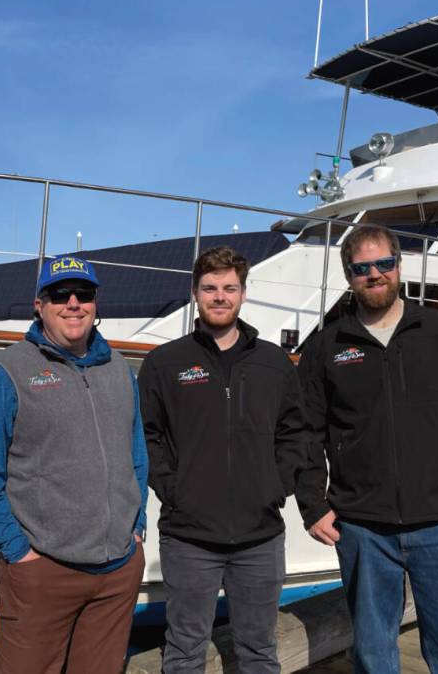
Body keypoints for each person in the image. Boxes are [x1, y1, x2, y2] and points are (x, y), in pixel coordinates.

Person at [295, 224, 438, 673]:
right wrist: (313, 505)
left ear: (399, 265)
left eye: (383, 264)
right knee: (374, 657)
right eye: (361, 268)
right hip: (363, 530)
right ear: (348, 275)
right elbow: (305, 433)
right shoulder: (325, 347)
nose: (374, 274)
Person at [0, 254, 148, 674]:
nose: (73, 303)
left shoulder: (119, 370)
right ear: (39, 304)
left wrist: (137, 527)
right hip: (43, 570)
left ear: (96, 304)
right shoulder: (8, 372)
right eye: (60, 294)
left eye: (84, 294)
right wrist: (17, 550)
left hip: (117, 572)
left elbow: (135, 453)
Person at [138, 246, 307, 673]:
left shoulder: (273, 362)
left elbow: (294, 430)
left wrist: (277, 485)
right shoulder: (165, 363)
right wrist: (174, 489)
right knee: (184, 652)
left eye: (229, 288)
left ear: (243, 294)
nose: (220, 296)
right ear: (196, 293)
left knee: (259, 651)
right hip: (189, 536)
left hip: (260, 536)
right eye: (210, 288)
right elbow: (147, 435)